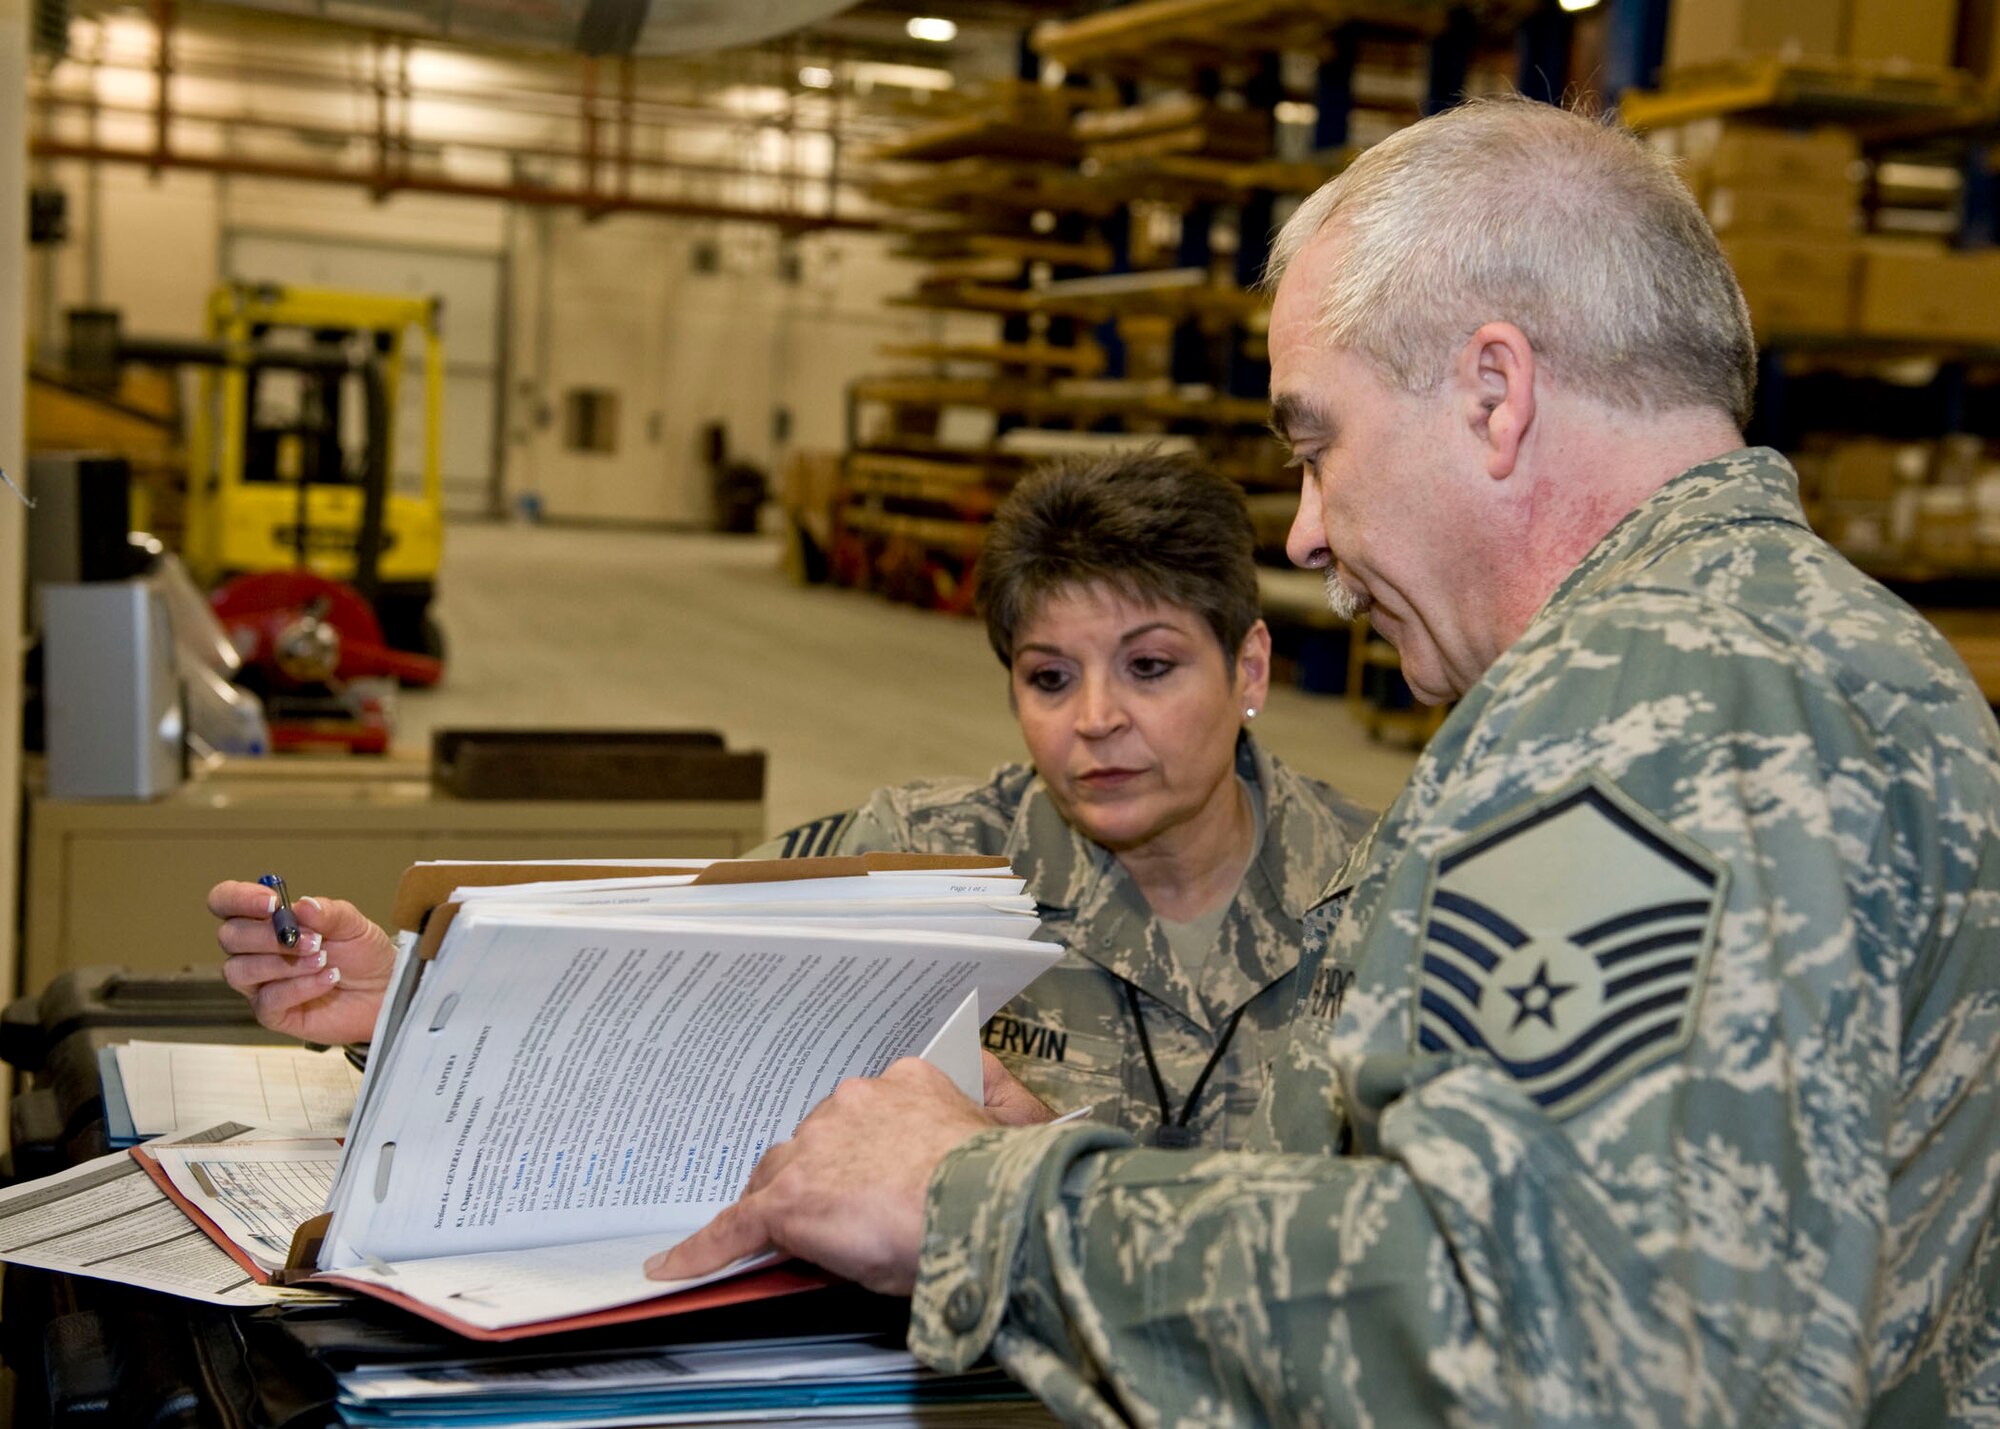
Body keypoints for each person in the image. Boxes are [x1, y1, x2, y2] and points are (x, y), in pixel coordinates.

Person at [651, 97, 2000, 1426]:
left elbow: (1573, 1352)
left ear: (1492, 394)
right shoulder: (1855, 655)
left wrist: (971, 1203)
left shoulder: (1637, 706)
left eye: (1318, 443)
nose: (1304, 532)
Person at [208, 451, 1372, 1152]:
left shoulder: (1392, 896)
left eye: (1151, 666)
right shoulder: (921, 866)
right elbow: (646, 973)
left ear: (1250, 670)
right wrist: (410, 993)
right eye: (1048, 676)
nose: (1095, 719)